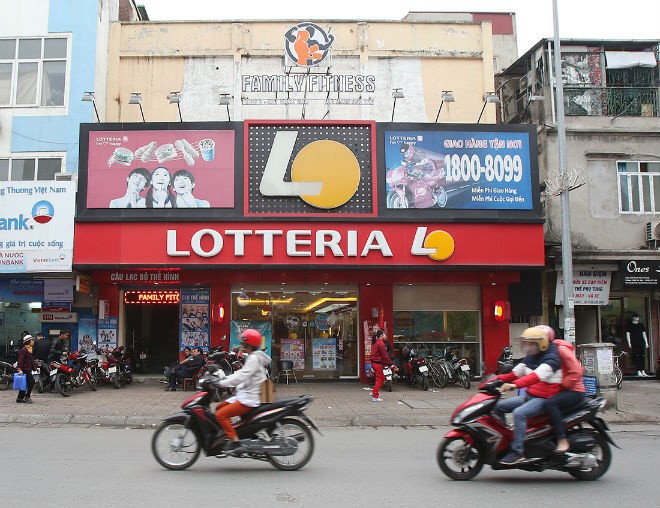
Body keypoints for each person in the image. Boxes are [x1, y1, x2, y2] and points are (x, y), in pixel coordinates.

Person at [493, 327, 562, 465]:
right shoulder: (532, 356)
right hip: (531, 396)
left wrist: (514, 385)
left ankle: (517, 452)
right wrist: (494, 379)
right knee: (498, 407)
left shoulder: (551, 358)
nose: (527, 347)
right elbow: (515, 373)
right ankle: (507, 440)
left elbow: (535, 377)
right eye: (526, 343)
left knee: (519, 413)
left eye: (531, 343)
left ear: (542, 343)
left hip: (544, 399)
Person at [214, 329, 271, 453]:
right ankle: (231, 432)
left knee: (220, 415)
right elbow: (240, 373)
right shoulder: (253, 356)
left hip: (251, 397)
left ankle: (235, 442)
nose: (241, 344)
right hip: (247, 393)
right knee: (219, 408)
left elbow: (241, 377)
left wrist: (220, 383)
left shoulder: (254, 358)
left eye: (243, 342)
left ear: (248, 344)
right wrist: (223, 379)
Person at [536, 325, 585, 453]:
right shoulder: (546, 352)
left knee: (550, 403)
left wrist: (563, 384)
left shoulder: (561, 349)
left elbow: (577, 371)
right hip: (562, 389)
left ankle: (561, 439)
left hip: (574, 390)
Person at [369, 329, 393, 402]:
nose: (385, 335)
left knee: (382, 378)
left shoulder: (377, 342)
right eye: (384, 334)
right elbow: (385, 356)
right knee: (379, 380)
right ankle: (375, 397)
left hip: (375, 363)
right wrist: (390, 363)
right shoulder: (381, 343)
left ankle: (374, 392)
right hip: (377, 364)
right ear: (381, 335)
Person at [16, 335, 35, 403]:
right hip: (25, 369)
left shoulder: (29, 349)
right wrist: (20, 369)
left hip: (28, 368)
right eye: (32, 340)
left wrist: (35, 368)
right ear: (28, 341)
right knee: (31, 382)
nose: (33, 341)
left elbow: (31, 360)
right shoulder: (24, 350)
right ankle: (27, 396)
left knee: (24, 383)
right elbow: (20, 360)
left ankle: (20, 397)